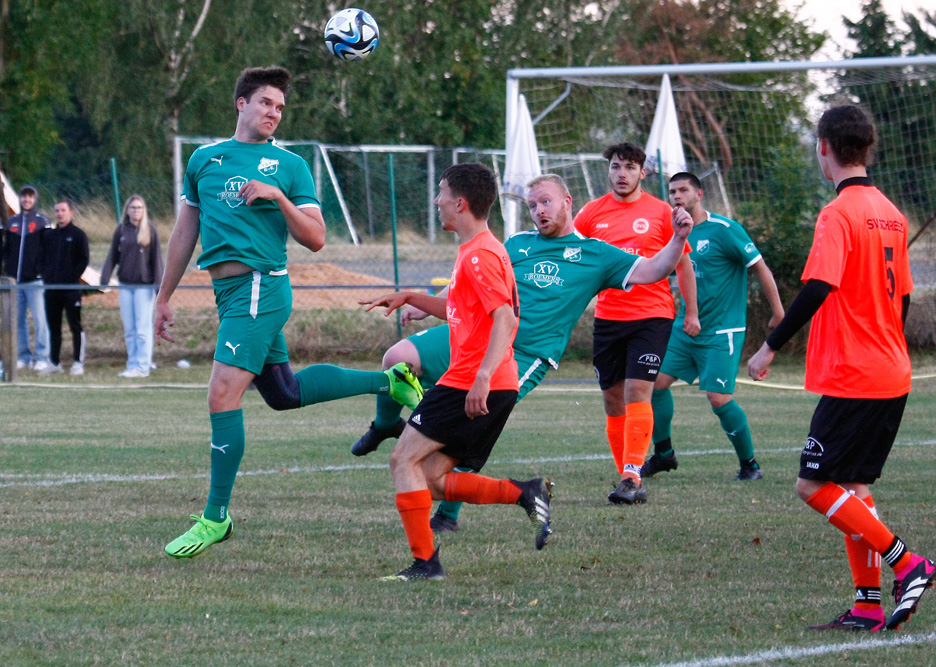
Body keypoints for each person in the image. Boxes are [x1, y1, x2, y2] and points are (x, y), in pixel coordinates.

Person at [155, 66, 423, 559]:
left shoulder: (290, 167)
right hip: (228, 295)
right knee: (283, 393)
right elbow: (184, 232)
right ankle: (391, 382)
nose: (274, 113)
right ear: (241, 104)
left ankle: (216, 519)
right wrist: (163, 296)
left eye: (280, 107)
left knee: (221, 395)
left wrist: (277, 196)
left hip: (262, 289)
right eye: (265, 103)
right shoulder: (204, 160)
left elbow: (316, 239)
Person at [353, 173, 694, 532]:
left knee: (474, 418)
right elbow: (473, 289)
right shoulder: (517, 244)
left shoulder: (596, 255)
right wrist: (428, 304)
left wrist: (678, 238)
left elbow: (655, 269)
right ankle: (386, 424)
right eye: (532, 205)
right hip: (475, 337)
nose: (538, 211)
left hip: (525, 355)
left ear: (567, 202)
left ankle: (447, 516)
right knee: (397, 357)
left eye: (545, 202)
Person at [747, 104, 936, 632]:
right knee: (853, 487)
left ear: (823, 148)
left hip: (858, 373)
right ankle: (866, 605)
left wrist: (770, 346)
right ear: (869, 148)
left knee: (812, 485)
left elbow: (817, 287)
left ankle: (908, 562)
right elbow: (901, 301)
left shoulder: (838, 214)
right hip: (890, 368)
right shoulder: (892, 213)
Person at [360, 163, 554, 581]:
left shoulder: (480, 254)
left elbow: (505, 317)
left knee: (402, 460)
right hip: (485, 382)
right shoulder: (479, 248)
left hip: (472, 381)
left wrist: (482, 375)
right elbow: (460, 311)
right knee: (430, 477)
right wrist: (411, 296)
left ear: (460, 203)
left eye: (442, 193)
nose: (436, 201)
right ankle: (524, 492)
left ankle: (426, 563)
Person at [573, 142, 697, 505]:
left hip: (653, 315)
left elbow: (683, 265)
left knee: (637, 392)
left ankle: (632, 475)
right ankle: (626, 475)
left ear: (643, 173)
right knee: (612, 398)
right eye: (615, 167)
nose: (621, 174)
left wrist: (692, 312)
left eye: (629, 167)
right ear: (608, 171)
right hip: (609, 317)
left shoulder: (662, 212)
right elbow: (575, 257)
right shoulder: (591, 214)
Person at [641, 172, 784, 482]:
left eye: (683, 190)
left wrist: (778, 313)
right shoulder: (671, 231)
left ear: (699, 194)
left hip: (722, 331)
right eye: (672, 191)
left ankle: (750, 465)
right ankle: (664, 454)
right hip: (683, 328)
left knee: (718, 399)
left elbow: (760, 267)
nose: (676, 196)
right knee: (654, 385)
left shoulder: (724, 230)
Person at [101, 195, 164, 378]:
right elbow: (112, 255)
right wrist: (105, 278)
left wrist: (159, 288)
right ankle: (132, 364)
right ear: (127, 210)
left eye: (139, 207)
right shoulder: (121, 230)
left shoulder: (150, 230)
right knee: (130, 329)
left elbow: (157, 260)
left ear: (144, 210)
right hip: (125, 285)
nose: (136, 210)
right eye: (133, 207)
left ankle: (143, 366)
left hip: (144, 287)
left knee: (143, 328)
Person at [0, 184, 53, 372]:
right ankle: (23, 355)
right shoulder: (12, 222)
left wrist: (42, 271)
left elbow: (49, 250)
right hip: (16, 281)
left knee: (40, 319)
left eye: (30, 197)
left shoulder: (42, 221)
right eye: (24, 197)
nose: (27, 200)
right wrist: (8, 267)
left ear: (35, 199)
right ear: (20, 199)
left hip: (35, 280)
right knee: (18, 319)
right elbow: (6, 249)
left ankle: (43, 357)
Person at [39, 199, 89, 376]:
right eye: (57, 211)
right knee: (54, 327)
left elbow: (83, 260)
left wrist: (71, 277)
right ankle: (54, 362)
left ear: (71, 212)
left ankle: (78, 362)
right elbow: (42, 258)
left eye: (63, 210)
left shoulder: (78, 235)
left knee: (75, 325)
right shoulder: (49, 236)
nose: (59, 213)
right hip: (52, 289)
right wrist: (45, 275)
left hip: (70, 290)